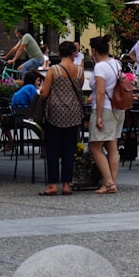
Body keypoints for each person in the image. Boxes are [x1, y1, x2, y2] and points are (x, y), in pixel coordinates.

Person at [37, 41, 85, 196]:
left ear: (59, 53)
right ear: (73, 54)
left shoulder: (53, 70)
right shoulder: (79, 71)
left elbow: (44, 93)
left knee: (53, 149)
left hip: (55, 114)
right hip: (73, 113)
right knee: (69, 150)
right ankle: (66, 185)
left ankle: (52, 185)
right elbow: (79, 90)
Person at [88, 35, 123, 194]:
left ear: (94, 51)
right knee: (112, 146)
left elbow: (101, 91)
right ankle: (111, 182)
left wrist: (99, 115)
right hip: (118, 107)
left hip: (105, 108)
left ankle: (108, 182)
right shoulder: (117, 63)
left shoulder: (100, 67)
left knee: (95, 146)